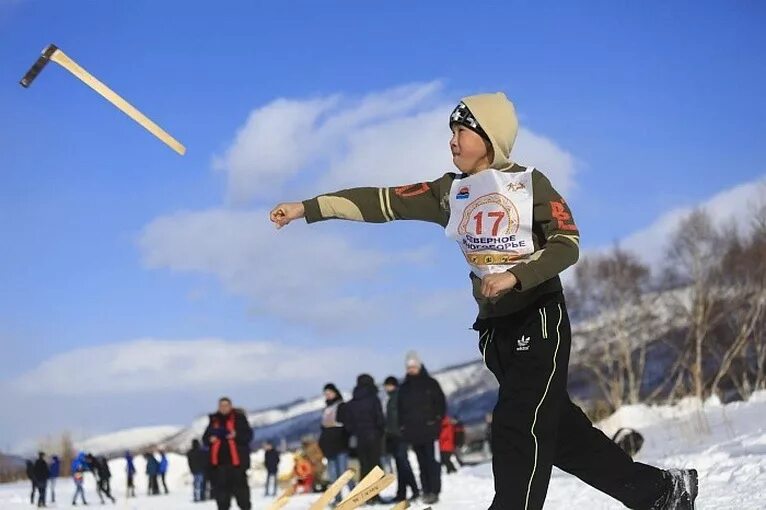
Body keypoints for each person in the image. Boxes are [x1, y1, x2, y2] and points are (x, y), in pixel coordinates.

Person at [269, 92, 699, 509]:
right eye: (451, 131)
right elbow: (382, 202)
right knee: (559, 434)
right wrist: (307, 208)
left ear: (490, 138)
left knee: (517, 424)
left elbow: (568, 243)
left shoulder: (530, 185)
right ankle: (662, 493)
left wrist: (517, 275)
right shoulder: (449, 192)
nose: (452, 139)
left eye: (462, 130)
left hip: (538, 318)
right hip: (495, 332)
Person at [398, 352, 445, 505]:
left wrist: (437, 420)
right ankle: (425, 490)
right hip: (413, 432)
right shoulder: (404, 388)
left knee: (432, 462)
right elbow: (400, 410)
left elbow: (441, 404)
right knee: (421, 463)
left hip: (430, 430)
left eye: (413, 366)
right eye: (409, 367)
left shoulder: (431, 383)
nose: (411, 369)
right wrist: (403, 427)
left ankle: (434, 490)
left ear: (419, 366)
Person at [202, 396, 253, 510]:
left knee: (242, 497)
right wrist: (210, 439)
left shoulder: (239, 419)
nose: (223, 408)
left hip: (237, 465)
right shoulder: (214, 420)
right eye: (221, 406)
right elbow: (205, 439)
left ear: (230, 406)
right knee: (222, 499)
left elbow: (248, 436)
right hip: (219, 466)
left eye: (226, 405)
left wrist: (236, 435)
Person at [337, 374, 385, 490]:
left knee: (364, 465)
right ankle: (375, 493)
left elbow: (347, 421)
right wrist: (380, 431)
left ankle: (365, 492)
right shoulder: (373, 399)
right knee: (375, 466)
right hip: (373, 436)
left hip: (359, 438)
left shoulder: (353, 402)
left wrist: (354, 431)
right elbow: (380, 418)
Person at [383, 375, 419, 503]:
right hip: (393, 436)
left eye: (388, 385)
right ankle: (401, 492)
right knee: (399, 465)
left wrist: (403, 429)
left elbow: (402, 415)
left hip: (400, 435)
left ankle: (415, 490)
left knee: (404, 464)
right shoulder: (390, 399)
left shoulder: (398, 397)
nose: (386, 388)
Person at [318, 382, 355, 504]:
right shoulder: (326, 409)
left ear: (335, 392)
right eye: (326, 394)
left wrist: (347, 441)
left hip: (340, 444)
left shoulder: (342, 406)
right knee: (333, 475)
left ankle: (355, 494)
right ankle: (337, 498)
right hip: (329, 447)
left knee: (344, 473)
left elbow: (348, 425)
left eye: (329, 393)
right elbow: (323, 428)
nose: (327, 395)